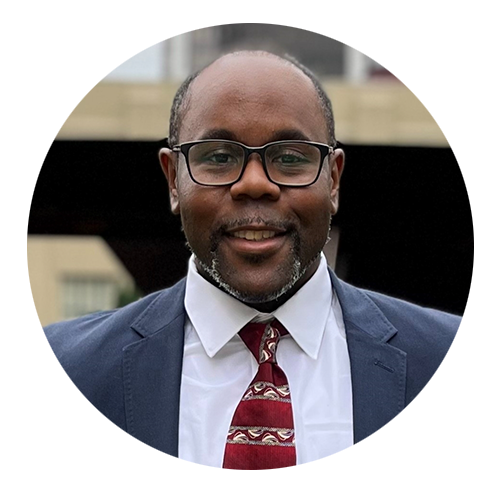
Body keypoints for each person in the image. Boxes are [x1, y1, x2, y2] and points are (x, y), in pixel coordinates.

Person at [44, 50, 460, 469]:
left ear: (333, 180)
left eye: (290, 158)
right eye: (219, 157)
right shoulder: (64, 371)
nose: (255, 184)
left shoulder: (451, 361)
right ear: (173, 180)